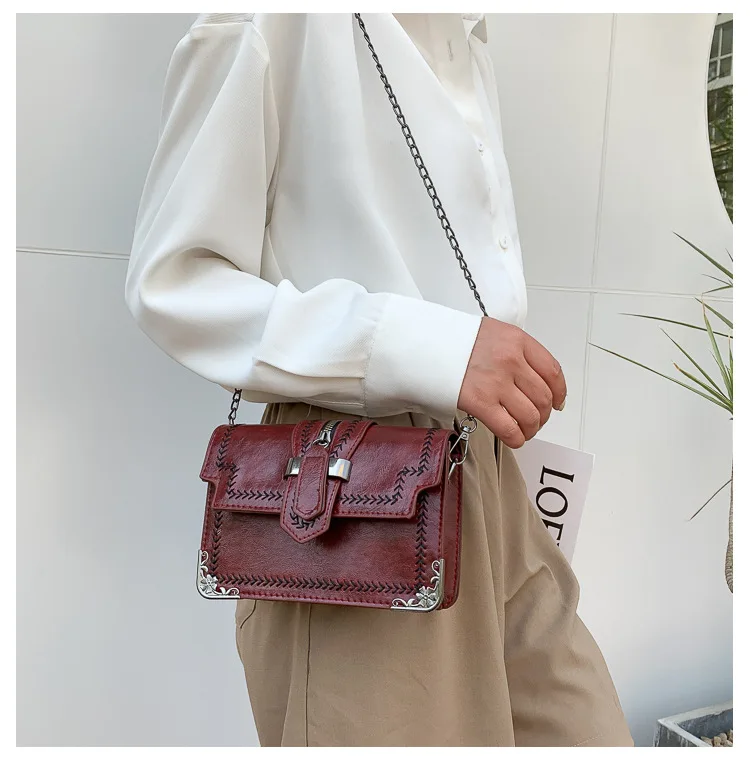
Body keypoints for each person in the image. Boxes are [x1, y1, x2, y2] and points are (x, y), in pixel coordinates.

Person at [126, 12, 633, 747]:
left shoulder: (465, 32)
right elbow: (173, 281)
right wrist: (425, 347)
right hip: (353, 495)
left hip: (487, 471)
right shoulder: (272, 21)